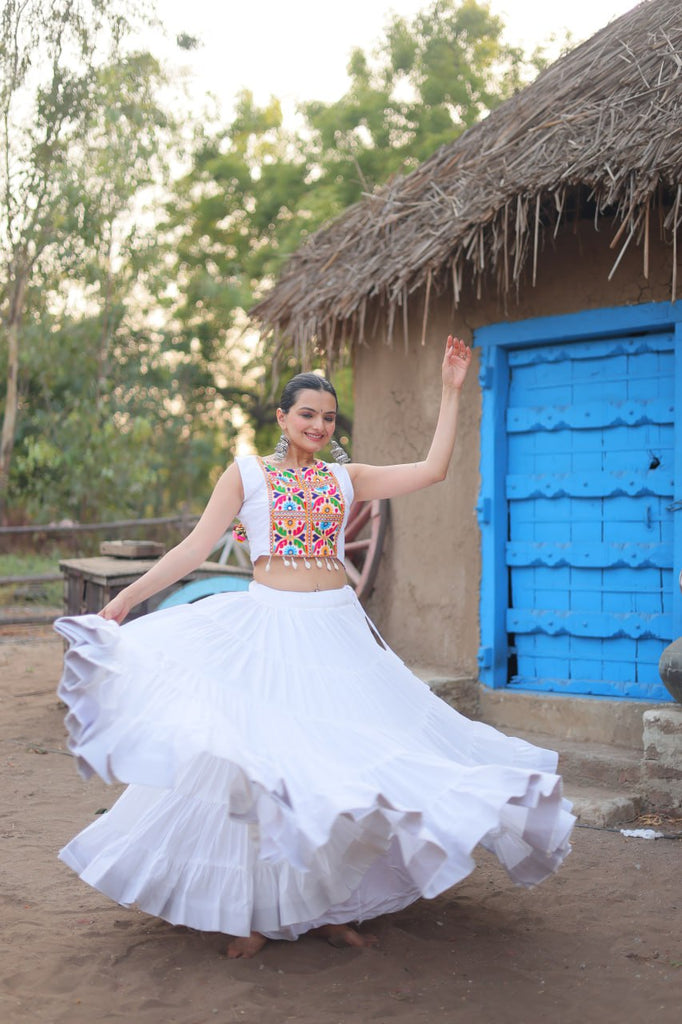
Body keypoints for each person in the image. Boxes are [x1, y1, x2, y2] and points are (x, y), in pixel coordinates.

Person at [55, 335, 574, 959]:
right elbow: (193, 549)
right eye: (307, 414)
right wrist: (126, 599)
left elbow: (431, 471)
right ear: (282, 418)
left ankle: (322, 910)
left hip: (337, 633)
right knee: (266, 773)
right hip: (271, 629)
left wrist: (451, 391)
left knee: (336, 773)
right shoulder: (246, 474)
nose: (319, 425)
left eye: (328, 417)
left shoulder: (344, 477)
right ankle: (249, 915)